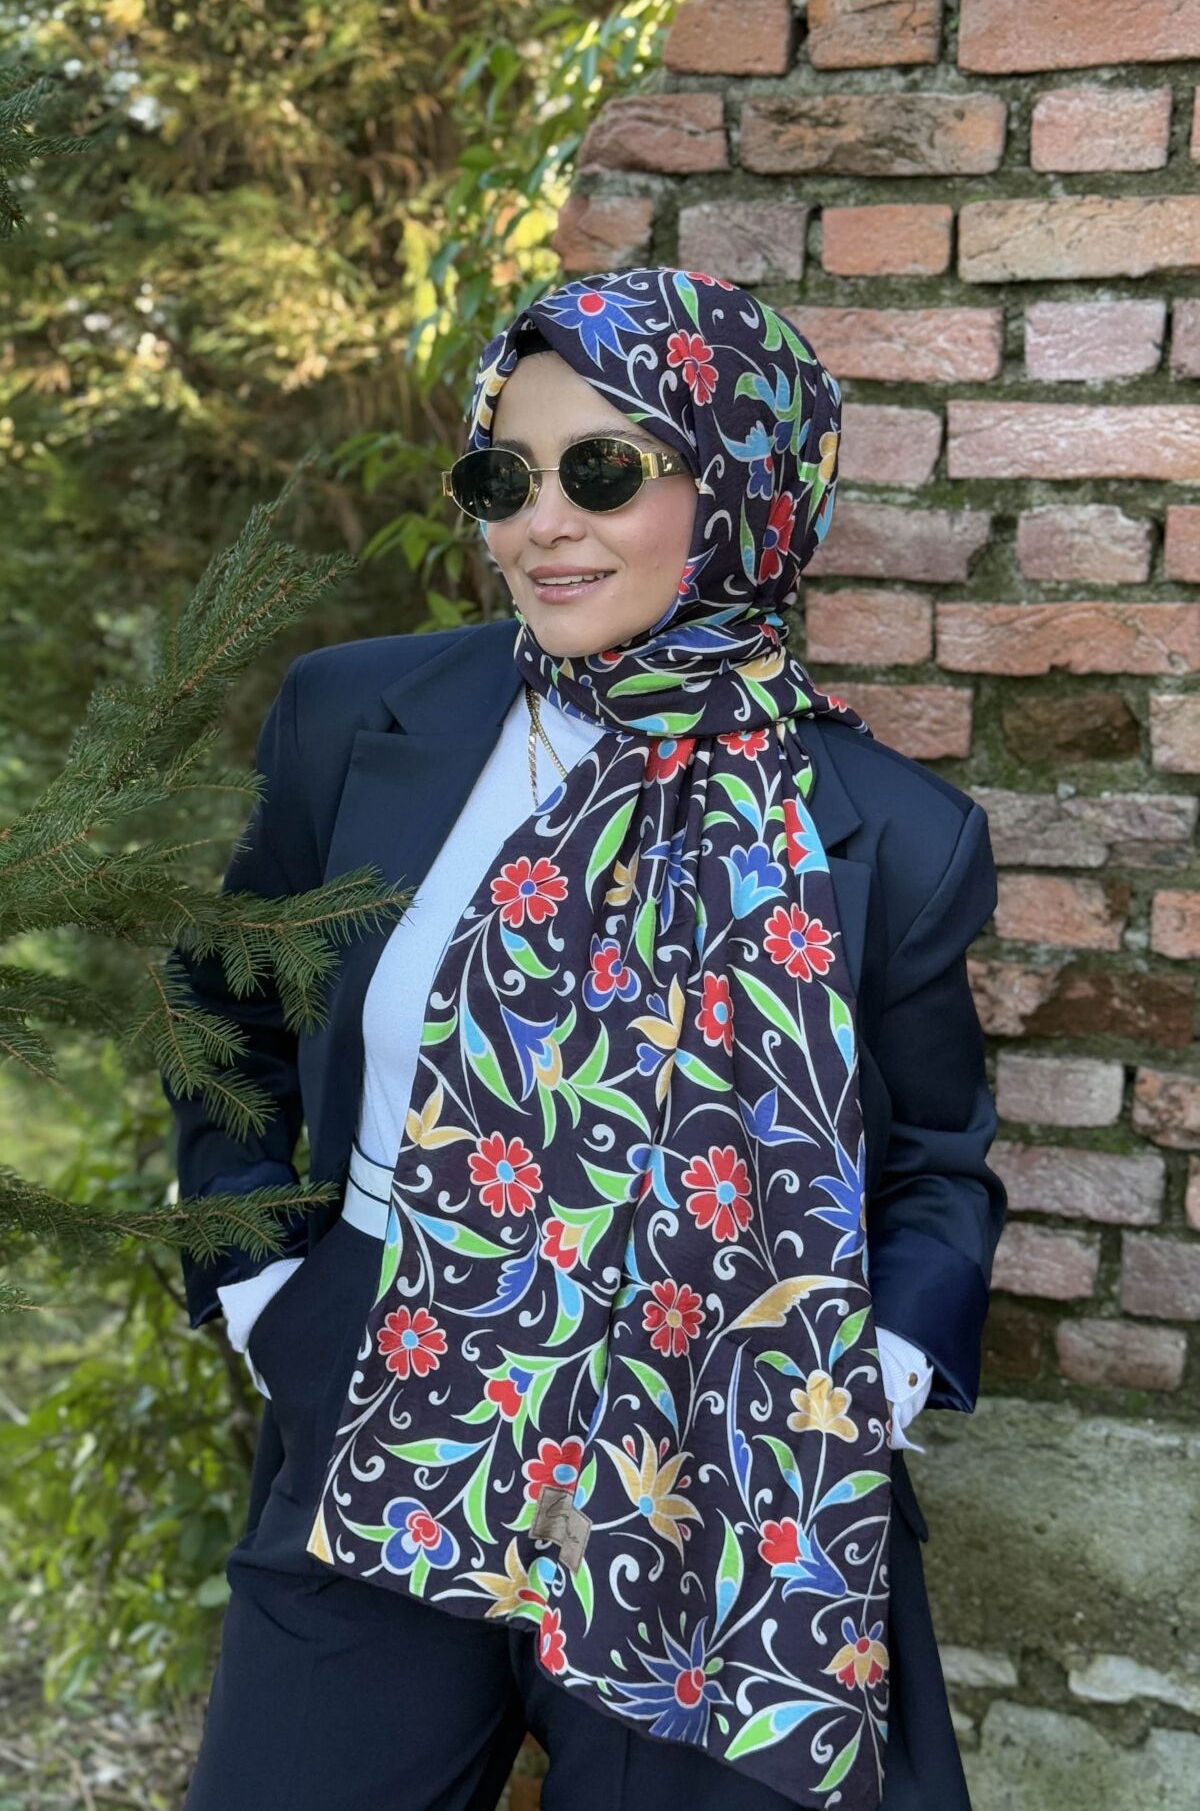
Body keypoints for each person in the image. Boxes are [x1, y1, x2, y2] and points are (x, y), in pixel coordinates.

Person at [164, 266, 1005, 1811]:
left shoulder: (889, 830)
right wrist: (267, 1290)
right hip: (385, 1369)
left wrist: (863, 1384)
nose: (540, 523)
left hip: (727, 1447)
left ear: (741, 485)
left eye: (603, 471)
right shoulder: (354, 718)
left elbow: (939, 1163)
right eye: (504, 477)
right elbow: (222, 1008)